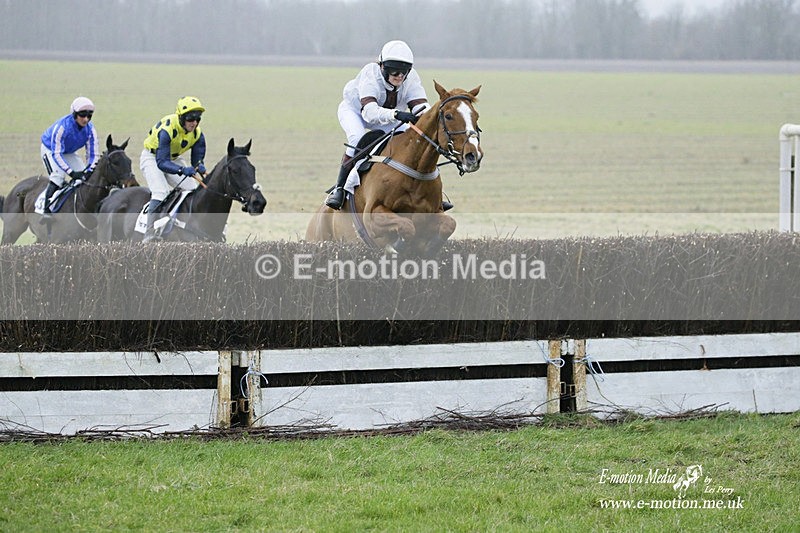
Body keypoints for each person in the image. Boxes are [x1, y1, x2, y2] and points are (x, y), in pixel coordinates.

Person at [325, 40, 435, 210]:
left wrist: (430, 117)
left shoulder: (411, 78)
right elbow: (369, 112)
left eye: (404, 71)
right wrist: (397, 114)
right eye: (394, 70)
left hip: (388, 118)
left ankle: (430, 192)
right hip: (357, 112)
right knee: (357, 138)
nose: (400, 76)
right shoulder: (370, 73)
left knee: (411, 140)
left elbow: (421, 107)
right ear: (382, 66)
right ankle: (339, 189)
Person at [140, 96, 207, 242]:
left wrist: (199, 165)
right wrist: (182, 170)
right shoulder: (167, 130)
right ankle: (150, 233)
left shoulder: (197, 133)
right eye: (190, 118)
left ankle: (186, 225)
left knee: (192, 189)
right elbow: (162, 162)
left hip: (173, 158)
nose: (194, 123)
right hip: (153, 158)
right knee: (161, 191)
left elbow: (197, 158)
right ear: (181, 117)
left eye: (197, 119)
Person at [39, 96, 100, 221]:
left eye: (89, 116)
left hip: (68, 152)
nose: (86, 119)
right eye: (82, 115)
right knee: (58, 177)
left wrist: (89, 170)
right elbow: (56, 154)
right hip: (51, 150)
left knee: (85, 178)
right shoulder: (62, 127)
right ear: (74, 114)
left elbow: (93, 155)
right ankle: (46, 210)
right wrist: (71, 172)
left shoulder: (90, 129)